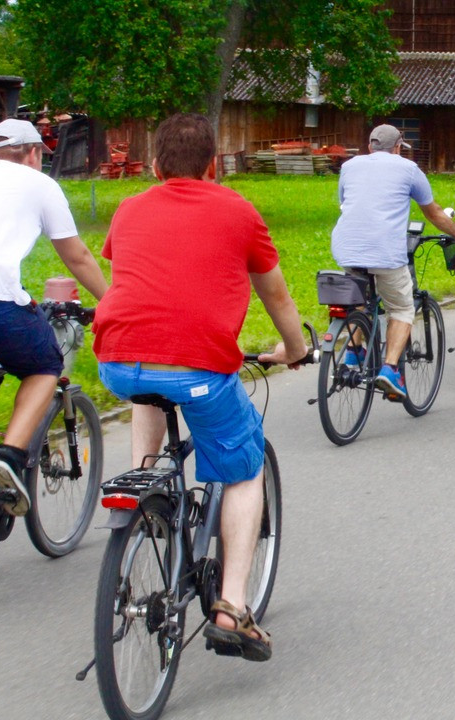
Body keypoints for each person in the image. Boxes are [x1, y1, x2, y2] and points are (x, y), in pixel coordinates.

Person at [93, 113, 308, 662]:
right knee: (243, 465)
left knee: (150, 390)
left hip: (118, 362)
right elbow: (278, 297)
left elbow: (130, 276)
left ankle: (148, 490)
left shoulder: (130, 207)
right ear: (213, 166)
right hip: (200, 371)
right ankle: (231, 608)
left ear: (158, 165)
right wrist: (295, 350)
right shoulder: (237, 210)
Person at [0, 118, 107, 517]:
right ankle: (10, 458)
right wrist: (112, 300)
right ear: (32, 153)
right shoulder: (41, 185)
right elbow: (77, 256)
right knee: (45, 364)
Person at [331, 124, 455, 399]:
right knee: (402, 307)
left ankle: (352, 352)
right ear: (398, 148)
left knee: (360, 298)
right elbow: (433, 213)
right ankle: (390, 369)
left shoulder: (350, 166)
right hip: (384, 251)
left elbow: (345, 202)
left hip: (347, 247)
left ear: (370, 146)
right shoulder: (409, 169)